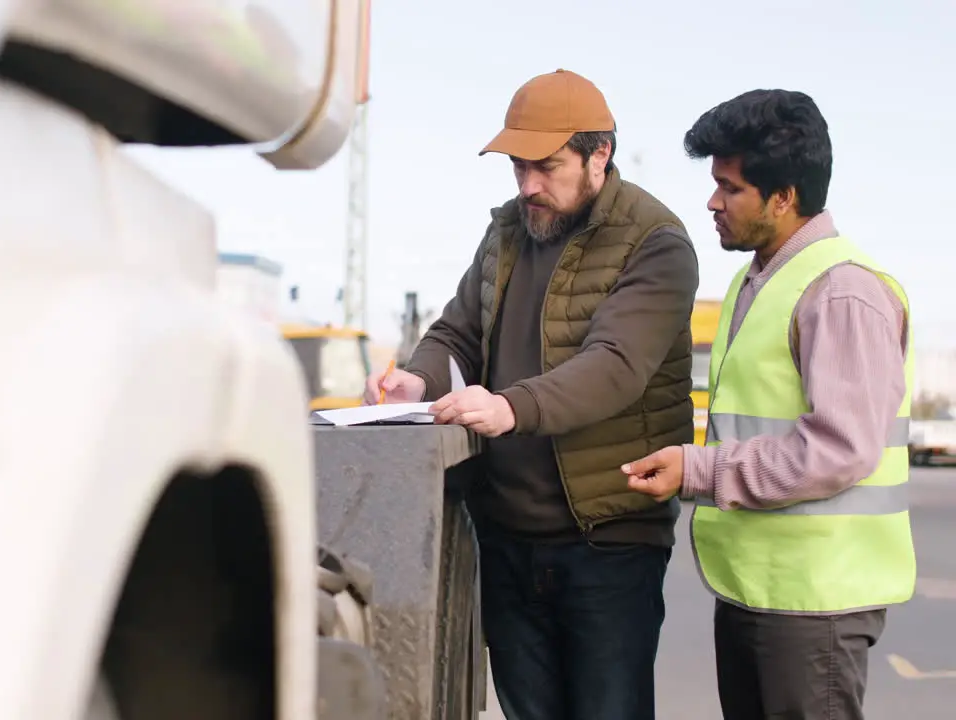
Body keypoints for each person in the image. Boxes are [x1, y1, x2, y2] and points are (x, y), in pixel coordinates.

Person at [364, 69, 699, 720]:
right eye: (518, 167)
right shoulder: (507, 233)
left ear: (599, 155)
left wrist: (509, 405)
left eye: (545, 167)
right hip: (508, 540)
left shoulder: (655, 243)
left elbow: (616, 365)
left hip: (607, 544)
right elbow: (454, 330)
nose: (527, 186)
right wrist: (419, 377)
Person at [623, 88, 915, 720]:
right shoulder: (757, 279)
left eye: (729, 188)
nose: (712, 201)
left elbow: (840, 448)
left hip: (817, 603)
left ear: (783, 197)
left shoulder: (841, 292)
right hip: (763, 592)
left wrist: (698, 470)